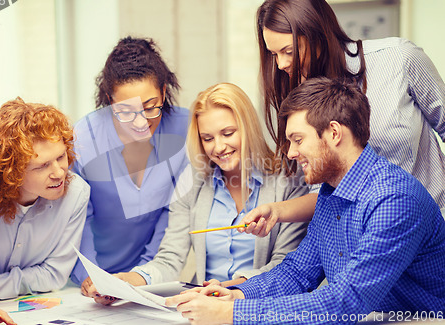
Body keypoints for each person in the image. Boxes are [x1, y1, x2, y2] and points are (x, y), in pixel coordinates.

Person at [166, 77, 445, 324]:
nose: (290, 153)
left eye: (297, 139)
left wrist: (230, 315)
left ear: (334, 133)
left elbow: (343, 303)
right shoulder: (329, 192)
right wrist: (236, 295)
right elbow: (297, 272)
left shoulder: (394, 199)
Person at [84, 82, 309, 305]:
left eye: (228, 133)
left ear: (248, 127)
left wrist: (230, 288)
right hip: (203, 309)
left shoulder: (288, 180)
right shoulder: (192, 182)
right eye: (208, 138)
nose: (219, 147)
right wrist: (126, 281)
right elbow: (170, 258)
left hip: (258, 307)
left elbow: (286, 265)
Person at [241, 0, 445, 234]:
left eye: (288, 51)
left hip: (431, 232)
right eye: (274, 55)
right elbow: (325, 195)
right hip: (363, 240)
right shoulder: (302, 99)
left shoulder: (399, 59)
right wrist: (277, 211)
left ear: (318, 34)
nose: (281, 65)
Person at [0, 98, 90, 325]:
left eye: (61, 157)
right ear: (10, 171)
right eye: (42, 165)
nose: (60, 173)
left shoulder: (76, 193)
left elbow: (54, 275)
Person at [70, 37, 190, 296]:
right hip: (87, 279)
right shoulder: (85, 136)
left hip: (148, 280)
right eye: (125, 111)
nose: (140, 122)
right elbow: (78, 218)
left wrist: (142, 275)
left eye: (150, 107)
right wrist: (94, 277)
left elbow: (173, 214)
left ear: (164, 90)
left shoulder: (187, 129)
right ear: (109, 99)